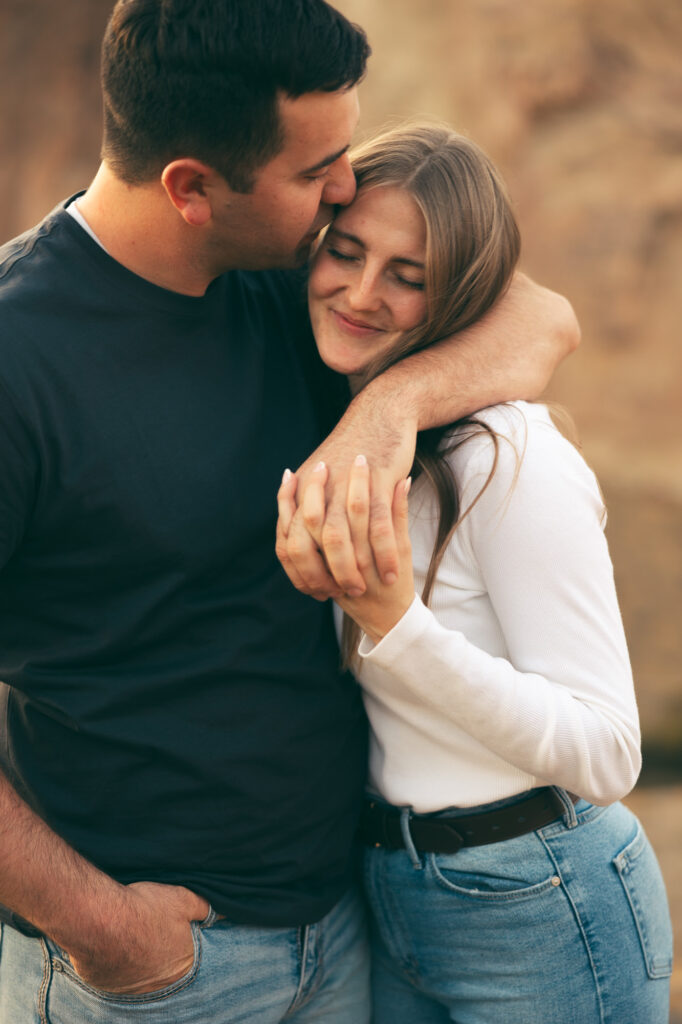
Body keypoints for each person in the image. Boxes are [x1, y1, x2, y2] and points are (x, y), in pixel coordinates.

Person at [0, 4, 578, 1023]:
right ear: (192, 187)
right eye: (319, 169)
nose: (344, 187)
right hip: (155, 970)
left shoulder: (292, 280)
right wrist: (107, 930)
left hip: (346, 929)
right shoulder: (17, 360)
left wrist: (387, 411)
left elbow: (540, 318)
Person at [279, 122, 673, 1022]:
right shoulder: (329, 417)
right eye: (345, 254)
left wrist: (399, 626)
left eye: (408, 278)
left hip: (541, 896)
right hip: (389, 888)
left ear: (461, 297)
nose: (361, 293)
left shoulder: (510, 457)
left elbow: (609, 751)